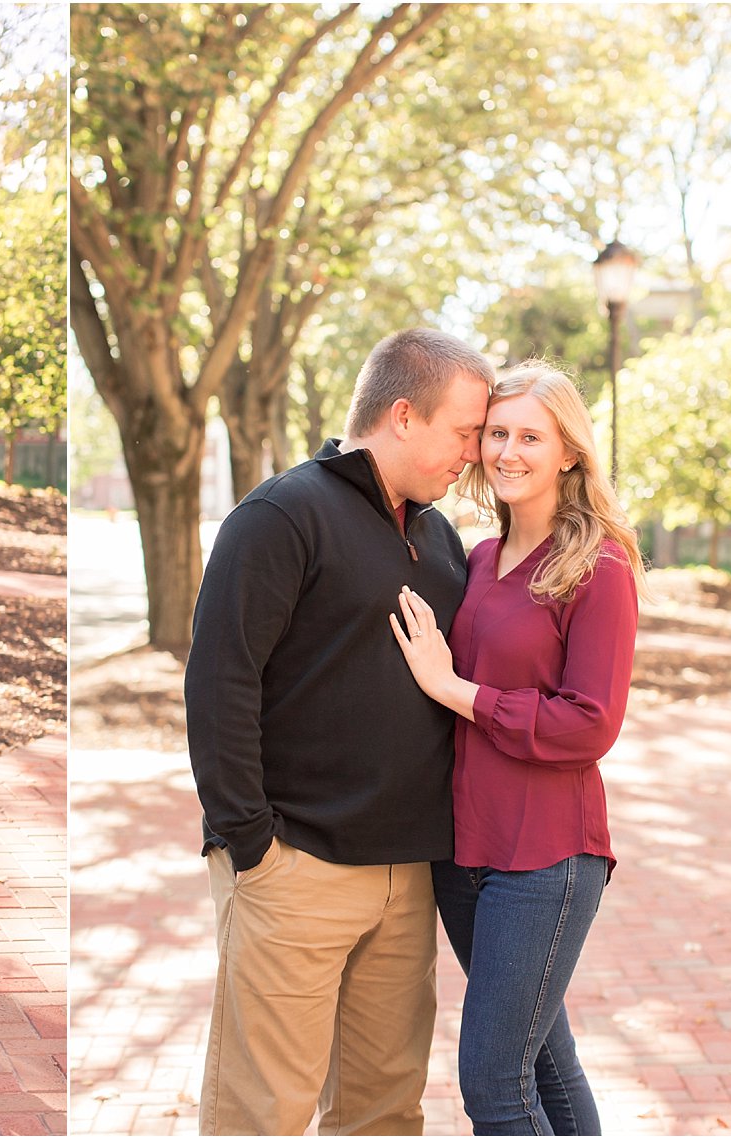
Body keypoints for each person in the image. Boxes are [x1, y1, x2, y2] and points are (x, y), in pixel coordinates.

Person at [186, 327, 495, 1135]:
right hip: (296, 867)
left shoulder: (438, 537)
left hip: (408, 878)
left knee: (385, 1111)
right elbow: (220, 686)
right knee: (262, 1113)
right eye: (464, 430)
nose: (476, 450)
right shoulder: (280, 516)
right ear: (403, 415)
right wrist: (251, 843)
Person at [390, 361, 643, 1135]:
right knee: (547, 1066)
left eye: (531, 435)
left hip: (547, 857)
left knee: (494, 1081)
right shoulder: (475, 561)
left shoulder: (598, 567)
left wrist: (455, 688)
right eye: (496, 432)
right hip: (468, 853)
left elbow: (590, 722)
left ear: (569, 451)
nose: (507, 450)